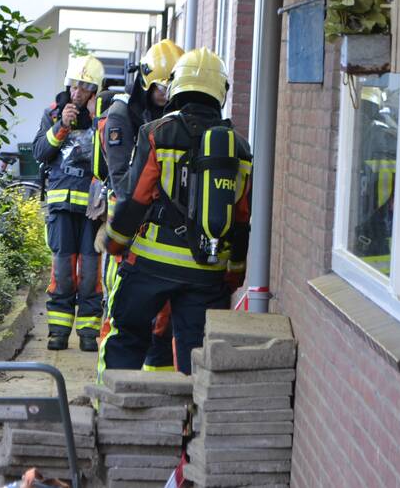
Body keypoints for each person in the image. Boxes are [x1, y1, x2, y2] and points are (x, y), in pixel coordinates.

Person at [99, 47, 252, 375]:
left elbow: (136, 196)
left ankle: (116, 412)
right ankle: (190, 422)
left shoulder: (157, 133)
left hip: (150, 266)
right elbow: (241, 217)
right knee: (196, 352)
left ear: (177, 86)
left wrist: (114, 242)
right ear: (220, 92)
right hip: (207, 271)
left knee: (127, 337)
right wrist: (233, 273)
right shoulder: (239, 147)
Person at [94, 39, 184, 375]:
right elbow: (122, 181)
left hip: (158, 230)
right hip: (127, 229)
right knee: (120, 314)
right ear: (146, 81)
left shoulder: (170, 114)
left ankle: (154, 392)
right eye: (161, 87)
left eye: (171, 87)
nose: (166, 94)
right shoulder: (120, 117)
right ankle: (107, 391)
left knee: (161, 320)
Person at [33, 54, 106, 352]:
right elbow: (40, 152)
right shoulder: (53, 114)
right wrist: (61, 126)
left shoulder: (104, 120)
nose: (77, 93)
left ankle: (88, 333)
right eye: (74, 86)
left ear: (94, 91)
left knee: (90, 273)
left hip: (92, 211)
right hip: (61, 208)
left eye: (85, 87)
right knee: (62, 272)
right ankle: (58, 333)